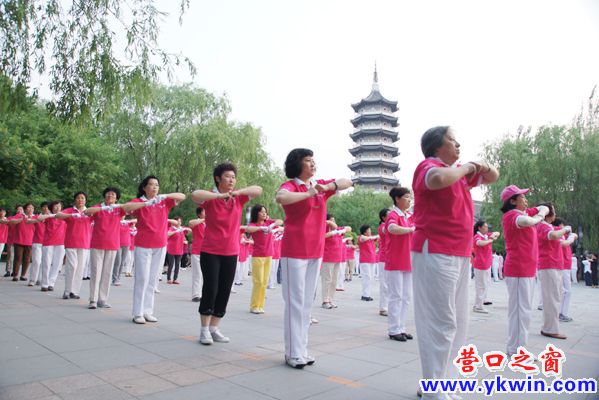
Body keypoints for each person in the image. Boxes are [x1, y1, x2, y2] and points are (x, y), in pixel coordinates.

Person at [411, 126, 498, 397]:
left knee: (459, 322)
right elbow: (437, 179)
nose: (458, 145)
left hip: (458, 253)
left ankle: (442, 382)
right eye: (452, 140)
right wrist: (468, 167)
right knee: (441, 321)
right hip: (435, 250)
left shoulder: (457, 174)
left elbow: (493, 176)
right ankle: (434, 388)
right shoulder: (428, 167)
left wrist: (480, 166)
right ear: (437, 146)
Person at [275, 148, 352, 368]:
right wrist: (309, 194)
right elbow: (281, 197)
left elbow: (347, 182)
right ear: (297, 164)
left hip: (315, 251)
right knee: (295, 302)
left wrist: (328, 187)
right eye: (308, 160)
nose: (313, 164)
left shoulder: (320, 186)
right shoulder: (291, 186)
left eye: (313, 160)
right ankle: (292, 353)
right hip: (294, 251)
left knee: (307, 303)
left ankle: (302, 349)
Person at [192, 163, 262, 345]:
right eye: (227, 177)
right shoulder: (210, 198)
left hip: (231, 251)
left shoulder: (238, 198)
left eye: (233, 177)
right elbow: (195, 195)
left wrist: (237, 193)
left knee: (224, 290)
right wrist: (219, 195)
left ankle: (214, 328)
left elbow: (258, 190)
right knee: (211, 288)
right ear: (218, 178)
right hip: (210, 250)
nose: (231, 180)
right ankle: (204, 329)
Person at [129, 176, 186, 324]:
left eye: (157, 185)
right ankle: (137, 312)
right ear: (144, 187)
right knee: (142, 278)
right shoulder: (139, 201)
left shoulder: (163, 201)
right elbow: (127, 208)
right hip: (143, 244)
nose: (154, 187)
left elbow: (182, 196)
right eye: (151, 184)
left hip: (160, 244)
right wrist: (146, 203)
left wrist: (165, 196)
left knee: (153, 279)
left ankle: (148, 311)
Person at [500, 186, 548, 357]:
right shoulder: (512, 215)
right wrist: (540, 216)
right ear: (513, 201)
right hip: (519, 269)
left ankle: (515, 348)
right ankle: (518, 351)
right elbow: (528, 221)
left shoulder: (523, 212)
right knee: (521, 312)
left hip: (526, 269)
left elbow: (542, 208)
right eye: (522, 197)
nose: (526, 200)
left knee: (522, 311)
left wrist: (541, 211)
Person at [85, 187, 146, 309]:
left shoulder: (118, 209)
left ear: (116, 198)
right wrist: (104, 208)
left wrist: (117, 205)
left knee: (107, 273)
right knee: (96, 272)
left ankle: (102, 299)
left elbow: (130, 207)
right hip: (97, 243)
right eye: (108, 194)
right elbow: (87, 211)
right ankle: (93, 299)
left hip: (112, 244)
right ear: (104, 196)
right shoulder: (98, 207)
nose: (110, 196)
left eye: (113, 195)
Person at [536, 203, 571, 340]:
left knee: (554, 297)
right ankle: (550, 328)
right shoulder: (542, 226)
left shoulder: (548, 226)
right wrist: (565, 229)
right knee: (552, 298)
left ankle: (549, 327)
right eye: (554, 211)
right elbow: (553, 235)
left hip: (553, 265)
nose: (555, 214)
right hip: (548, 264)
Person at [385, 187, 416, 342]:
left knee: (406, 297)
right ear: (397, 199)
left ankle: (401, 327)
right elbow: (392, 228)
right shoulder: (393, 214)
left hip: (408, 260)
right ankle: (393, 329)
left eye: (410, 197)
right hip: (396, 260)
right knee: (396, 296)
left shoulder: (408, 216)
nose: (409, 200)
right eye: (406, 197)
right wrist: (410, 229)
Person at [244, 204, 283, 314]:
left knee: (264, 282)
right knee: (258, 281)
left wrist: (272, 225)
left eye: (265, 211)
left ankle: (260, 305)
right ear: (256, 213)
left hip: (269, 255)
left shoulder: (268, 222)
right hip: (258, 256)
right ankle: (254, 306)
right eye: (262, 212)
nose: (264, 213)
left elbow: (280, 221)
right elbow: (248, 229)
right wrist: (261, 228)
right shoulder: (254, 224)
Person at [56, 192, 93, 299]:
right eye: (78, 198)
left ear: (85, 200)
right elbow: (58, 215)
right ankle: (67, 290)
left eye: (82, 198)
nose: (80, 200)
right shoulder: (70, 210)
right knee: (72, 266)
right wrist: (71, 215)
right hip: (71, 242)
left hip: (84, 242)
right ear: (75, 200)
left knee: (80, 268)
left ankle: (75, 291)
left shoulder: (89, 211)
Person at [320, 214, 350, 309]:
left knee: (334, 280)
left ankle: (330, 299)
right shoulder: (324, 229)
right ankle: (325, 300)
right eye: (332, 220)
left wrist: (341, 230)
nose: (334, 222)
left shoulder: (338, 230)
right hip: (327, 258)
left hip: (337, 258)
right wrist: (332, 229)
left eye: (334, 220)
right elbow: (323, 236)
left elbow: (349, 228)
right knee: (327, 279)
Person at [472, 220, 500, 313]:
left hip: (487, 264)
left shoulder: (486, 235)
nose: (487, 228)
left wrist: (492, 236)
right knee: (481, 286)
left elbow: (497, 233)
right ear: (480, 228)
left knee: (485, 284)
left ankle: (482, 301)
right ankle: (478, 306)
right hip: (480, 265)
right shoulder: (477, 237)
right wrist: (490, 240)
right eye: (485, 226)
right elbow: (480, 243)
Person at [37, 201, 66, 291]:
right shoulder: (48, 216)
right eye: (55, 206)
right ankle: (44, 284)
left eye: (59, 206)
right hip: (48, 242)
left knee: (57, 264)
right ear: (52, 208)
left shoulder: (64, 216)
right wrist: (52, 215)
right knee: (46, 263)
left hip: (61, 242)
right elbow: (39, 218)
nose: (57, 208)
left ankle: (51, 283)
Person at [553, 219, 577, 323]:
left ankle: (562, 313)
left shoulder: (562, 234)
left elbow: (574, 235)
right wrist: (571, 237)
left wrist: (572, 235)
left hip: (565, 265)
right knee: (565, 291)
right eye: (563, 225)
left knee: (565, 291)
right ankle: (561, 313)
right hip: (562, 265)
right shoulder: (556, 233)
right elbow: (565, 243)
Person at [10, 203, 36, 281]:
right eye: (29, 207)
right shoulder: (20, 215)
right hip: (19, 240)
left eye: (32, 208)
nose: (31, 209)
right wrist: (21, 219)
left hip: (30, 241)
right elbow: (12, 221)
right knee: (18, 258)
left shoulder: (35, 217)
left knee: (27, 259)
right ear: (25, 209)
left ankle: (23, 275)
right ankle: (15, 275)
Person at [166, 216, 190, 284]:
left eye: (180, 221)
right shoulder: (171, 228)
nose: (179, 222)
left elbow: (189, 231)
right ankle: (169, 278)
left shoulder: (181, 228)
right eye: (178, 221)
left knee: (177, 265)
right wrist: (176, 231)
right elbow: (167, 235)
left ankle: (175, 279)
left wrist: (186, 229)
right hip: (171, 249)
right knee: (171, 264)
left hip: (179, 249)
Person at [188, 207, 206, 302]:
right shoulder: (197, 222)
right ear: (199, 214)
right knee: (197, 274)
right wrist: (204, 219)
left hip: (208, 251)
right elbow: (190, 223)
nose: (206, 212)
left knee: (206, 275)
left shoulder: (209, 223)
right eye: (204, 211)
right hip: (197, 251)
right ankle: (195, 295)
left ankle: (203, 294)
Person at [358, 225, 378, 301]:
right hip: (365, 260)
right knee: (367, 277)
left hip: (372, 260)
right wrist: (373, 237)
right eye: (369, 230)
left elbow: (378, 238)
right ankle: (365, 295)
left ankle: (368, 294)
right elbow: (364, 238)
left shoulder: (370, 238)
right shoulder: (361, 237)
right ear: (365, 231)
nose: (370, 231)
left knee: (371, 278)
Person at [377, 208, 390, 316]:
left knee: (390, 284)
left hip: (392, 257)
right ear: (383, 217)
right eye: (389, 215)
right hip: (384, 258)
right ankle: (383, 307)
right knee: (384, 284)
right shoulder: (382, 227)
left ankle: (389, 306)